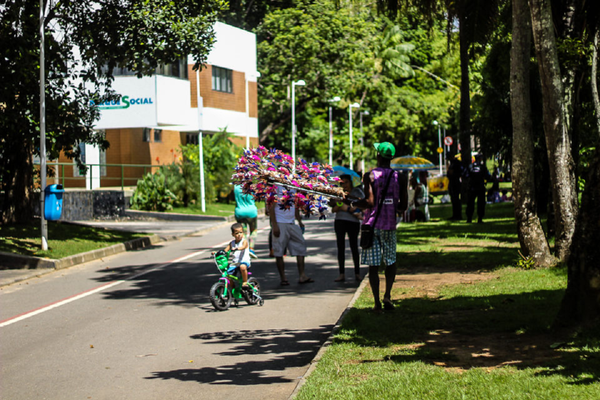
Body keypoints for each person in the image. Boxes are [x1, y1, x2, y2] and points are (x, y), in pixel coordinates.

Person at [352, 142, 408, 312]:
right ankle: (388, 295)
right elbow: (403, 206)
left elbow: (369, 202)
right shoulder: (400, 177)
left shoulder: (369, 176)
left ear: (378, 156)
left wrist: (354, 202)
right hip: (390, 226)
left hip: (373, 226)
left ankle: (376, 303)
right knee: (391, 261)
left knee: (373, 265)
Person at [270, 186, 313, 285]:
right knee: (279, 251)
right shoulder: (276, 188)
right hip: (280, 223)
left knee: (301, 246)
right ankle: (283, 278)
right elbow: (271, 207)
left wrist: (299, 221)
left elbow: (295, 206)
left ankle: (302, 275)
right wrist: (275, 225)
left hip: (292, 223)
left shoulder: (293, 188)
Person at [331, 175, 364, 282]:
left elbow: (361, 206)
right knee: (340, 247)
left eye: (345, 182)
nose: (344, 185)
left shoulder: (357, 192)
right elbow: (334, 208)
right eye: (341, 183)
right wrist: (342, 206)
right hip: (340, 221)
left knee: (354, 246)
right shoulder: (338, 193)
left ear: (350, 182)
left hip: (353, 222)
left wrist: (347, 208)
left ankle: (357, 273)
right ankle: (341, 273)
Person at [221, 223, 252, 289]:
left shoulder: (244, 241)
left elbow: (243, 247)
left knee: (242, 267)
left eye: (241, 232)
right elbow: (225, 250)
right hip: (235, 263)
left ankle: (245, 282)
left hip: (244, 261)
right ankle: (233, 289)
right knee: (228, 275)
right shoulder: (232, 243)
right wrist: (217, 253)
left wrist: (237, 248)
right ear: (233, 234)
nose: (239, 235)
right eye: (237, 233)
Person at [463, 153, 491, 223]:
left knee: (470, 203)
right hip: (480, 187)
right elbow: (488, 176)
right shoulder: (482, 167)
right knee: (481, 203)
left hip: (471, 187)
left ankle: (469, 218)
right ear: (480, 159)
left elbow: (465, 175)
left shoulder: (470, 166)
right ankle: (480, 218)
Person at [233, 184, 258, 258]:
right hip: (251, 212)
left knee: (243, 232)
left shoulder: (236, 187)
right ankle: (251, 248)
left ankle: (244, 248)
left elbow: (232, 198)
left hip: (240, 212)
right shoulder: (252, 186)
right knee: (253, 230)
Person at [447, 154, 463, 220]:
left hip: (455, 182)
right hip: (452, 182)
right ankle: (455, 215)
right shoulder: (453, 163)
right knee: (454, 199)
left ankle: (458, 215)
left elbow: (455, 173)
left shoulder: (456, 163)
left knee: (456, 199)